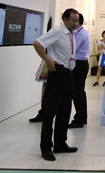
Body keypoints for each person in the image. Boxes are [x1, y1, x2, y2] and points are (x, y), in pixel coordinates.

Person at [32, 8, 80, 161]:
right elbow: (37, 44)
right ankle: (46, 148)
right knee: (49, 112)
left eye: (77, 20)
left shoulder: (71, 34)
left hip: (69, 75)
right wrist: (47, 60)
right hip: (57, 74)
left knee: (65, 112)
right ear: (64, 19)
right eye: (73, 20)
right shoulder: (57, 31)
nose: (75, 23)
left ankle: (60, 143)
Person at [69, 13, 91, 128]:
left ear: (78, 21)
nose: (73, 23)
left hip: (79, 64)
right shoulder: (80, 32)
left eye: (74, 20)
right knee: (79, 92)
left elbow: (72, 48)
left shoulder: (81, 33)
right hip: (80, 64)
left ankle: (79, 119)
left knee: (77, 92)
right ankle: (82, 118)